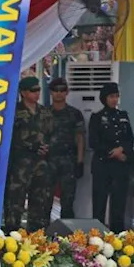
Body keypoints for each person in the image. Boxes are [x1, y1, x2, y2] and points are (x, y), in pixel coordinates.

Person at [6, 76, 53, 232]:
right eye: (33, 90)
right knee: (15, 202)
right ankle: (12, 235)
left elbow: (51, 134)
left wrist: (47, 147)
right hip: (20, 164)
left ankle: (36, 236)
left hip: (41, 164)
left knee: (40, 201)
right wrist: (30, 146)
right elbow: (8, 138)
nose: (37, 93)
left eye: (38, 90)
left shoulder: (44, 112)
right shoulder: (14, 112)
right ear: (23, 93)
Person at [88, 82, 134, 232]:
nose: (114, 100)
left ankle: (118, 236)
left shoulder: (123, 116)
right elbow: (94, 142)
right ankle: (97, 236)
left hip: (120, 166)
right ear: (104, 98)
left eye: (116, 96)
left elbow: (129, 139)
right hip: (103, 165)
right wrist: (112, 152)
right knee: (99, 204)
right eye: (111, 96)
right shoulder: (97, 117)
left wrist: (122, 149)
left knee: (118, 206)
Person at [45, 78, 85, 220]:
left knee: (67, 201)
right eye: (56, 90)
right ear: (51, 92)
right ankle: (41, 236)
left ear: (67, 92)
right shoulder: (44, 113)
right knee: (45, 200)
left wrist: (80, 161)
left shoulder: (74, 114)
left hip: (68, 160)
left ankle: (67, 238)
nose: (59, 93)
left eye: (62, 90)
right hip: (48, 161)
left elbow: (80, 138)